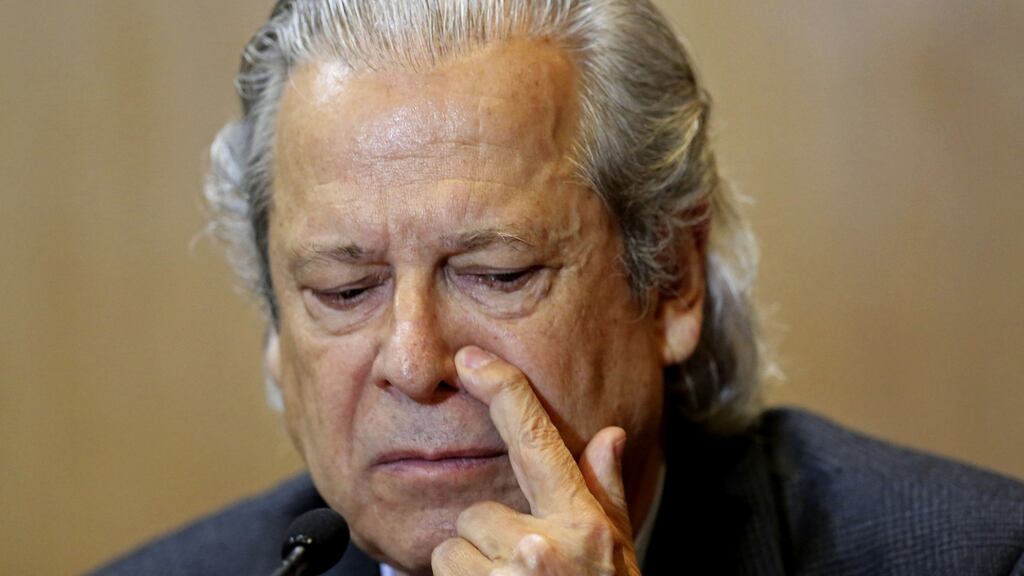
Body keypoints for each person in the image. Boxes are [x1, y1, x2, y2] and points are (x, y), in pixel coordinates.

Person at [92, 1, 1024, 575]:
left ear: (673, 282)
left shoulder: (978, 558)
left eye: (498, 274)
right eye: (344, 289)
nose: (415, 364)